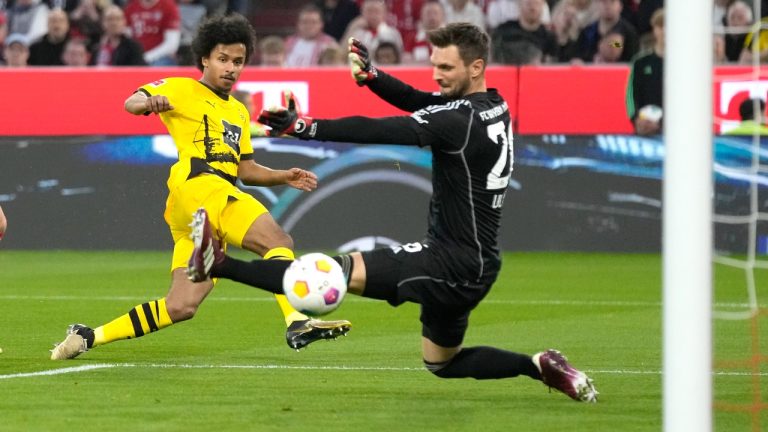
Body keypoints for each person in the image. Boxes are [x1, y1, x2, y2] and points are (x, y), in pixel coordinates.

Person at [187, 23, 598, 402]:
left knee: (326, 272)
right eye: (434, 65)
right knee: (442, 362)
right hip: (477, 262)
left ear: (476, 66)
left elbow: (383, 129)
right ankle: (539, 365)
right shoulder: (493, 105)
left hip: (449, 261)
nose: (436, 75)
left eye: (446, 67)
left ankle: (217, 263)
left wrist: (305, 127)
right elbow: (425, 102)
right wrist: (374, 79)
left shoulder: (457, 120)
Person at [50, 13, 351, 361]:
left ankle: (88, 336)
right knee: (278, 242)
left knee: (182, 306)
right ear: (204, 59)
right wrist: (148, 104)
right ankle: (296, 319)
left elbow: (245, 170)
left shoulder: (238, 111)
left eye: (238, 61)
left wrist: (283, 176)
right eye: (222, 59)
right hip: (198, 185)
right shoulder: (181, 87)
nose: (231, 68)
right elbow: (130, 102)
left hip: (199, 202)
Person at [625, 8, 662, 136]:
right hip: (644, 127)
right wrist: (636, 119)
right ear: (654, 29)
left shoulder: (684, 65)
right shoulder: (641, 62)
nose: (665, 31)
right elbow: (631, 96)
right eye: (661, 27)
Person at [124, 0, 181, 65]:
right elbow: (126, 36)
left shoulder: (168, 6)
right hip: (137, 56)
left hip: (160, 57)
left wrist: (146, 57)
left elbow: (171, 45)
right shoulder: (131, 7)